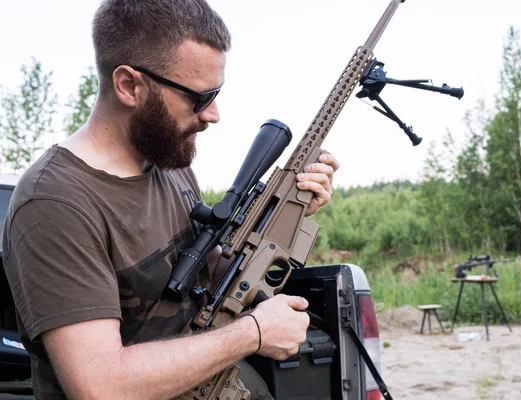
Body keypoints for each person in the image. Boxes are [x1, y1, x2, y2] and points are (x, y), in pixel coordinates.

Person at [1, 0, 340, 399]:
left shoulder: (169, 165)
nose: (213, 114)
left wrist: (282, 217)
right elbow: (101, 387)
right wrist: (253, 334)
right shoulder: (55, 203)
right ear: (129, 85)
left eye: (218, 92)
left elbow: (206, 278)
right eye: (200, 97)